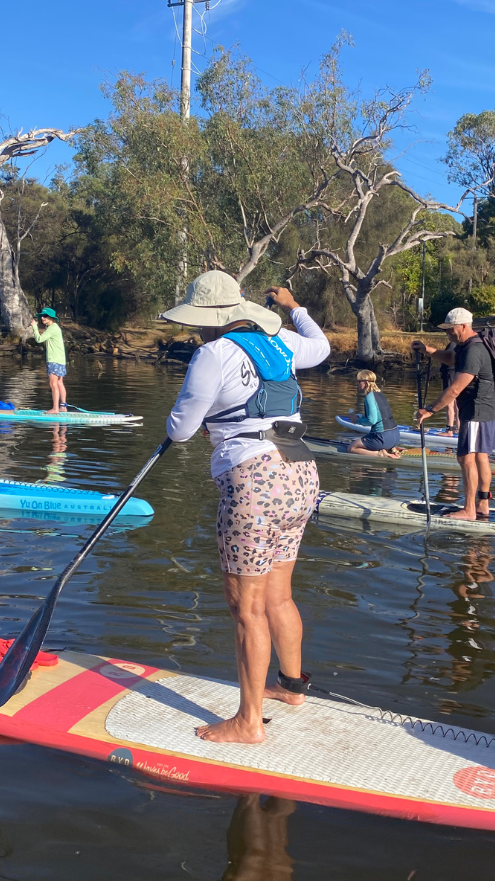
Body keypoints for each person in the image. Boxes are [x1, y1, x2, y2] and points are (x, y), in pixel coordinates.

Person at [164, 270, 329, 744]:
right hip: (301, 469)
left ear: (211, 320)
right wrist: (294, 307)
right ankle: (292, 687)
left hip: (255, 479)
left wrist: (186, 424)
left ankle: (248, 722)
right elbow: (321, 346)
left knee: (247, 608)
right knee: (279, 592)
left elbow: (180, 429)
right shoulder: (284, 344)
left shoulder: (211, 353)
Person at [412, 307, 495, 521]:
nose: (448, 334)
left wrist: (430, 409)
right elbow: (450, 358)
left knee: (465, 458)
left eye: (450, 330)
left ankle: (469, 510)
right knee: (481, 456)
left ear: (463, 326)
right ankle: (482, 505)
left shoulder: (473, 350)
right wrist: (427, 350)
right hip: (485, 408)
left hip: (476, 410)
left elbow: (455, 389)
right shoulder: (466, 345)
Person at [347, 370, 402, 458]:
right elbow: (380, 416)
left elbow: (371, 420)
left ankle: (380, 454)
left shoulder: (369, 397)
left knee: (351, 447)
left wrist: (356, 420)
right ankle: (388, 449)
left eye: (358, 382)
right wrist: (360, 416)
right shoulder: (380, 394)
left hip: (382, 438)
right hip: (395, 436)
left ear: (365, 383)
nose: (357, 385)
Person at [29, 307, 67, 413]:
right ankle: (63, 407)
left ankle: (55, 408)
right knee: (59, 383)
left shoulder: (52, 328)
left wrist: (34, 327)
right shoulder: (55, 327)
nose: (42, 318)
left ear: (51, 318)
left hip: (54, 360)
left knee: (53, 384)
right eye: (42, 316)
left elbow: (39, 339)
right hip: (61, 360)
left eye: (45, 316)